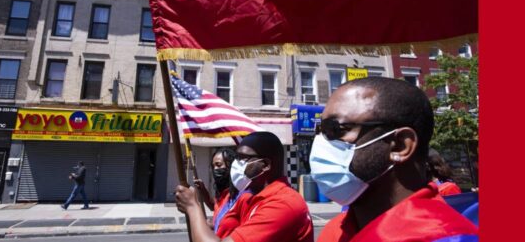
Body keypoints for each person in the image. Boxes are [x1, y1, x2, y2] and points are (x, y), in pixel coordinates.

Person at [310, 77, 478, 242]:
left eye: (335, 129)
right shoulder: (336, 230)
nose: (321, 142)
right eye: (319, 130)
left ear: (400, 146)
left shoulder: (450, 237)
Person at [175, 132, 313, 242]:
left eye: (243, 158)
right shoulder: (253, 195)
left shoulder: (283, 204)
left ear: (265, 165)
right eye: (237, 157)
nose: (236, 164)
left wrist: (192, 207)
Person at [194, 147, 254, 238]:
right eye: (213, 166)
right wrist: (203, 190)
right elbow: (215, 206)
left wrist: (191, 205)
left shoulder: (244, 196)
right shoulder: (224, 194)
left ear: (231, 166)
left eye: (218, 165)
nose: (215, 169)